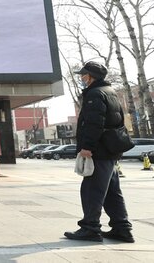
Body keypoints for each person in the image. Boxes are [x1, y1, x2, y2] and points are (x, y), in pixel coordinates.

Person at [64, 61, 134, 243]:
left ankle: (90, 228)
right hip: (110, 150)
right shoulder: (110, 92)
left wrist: (87, 147)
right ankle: (121, 228)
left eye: (84, 75)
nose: (81, 78)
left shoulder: (94, 94)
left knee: (91, 190)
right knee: (112, 191)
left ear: (91, 76)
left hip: (99, 151)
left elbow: (94, 124)